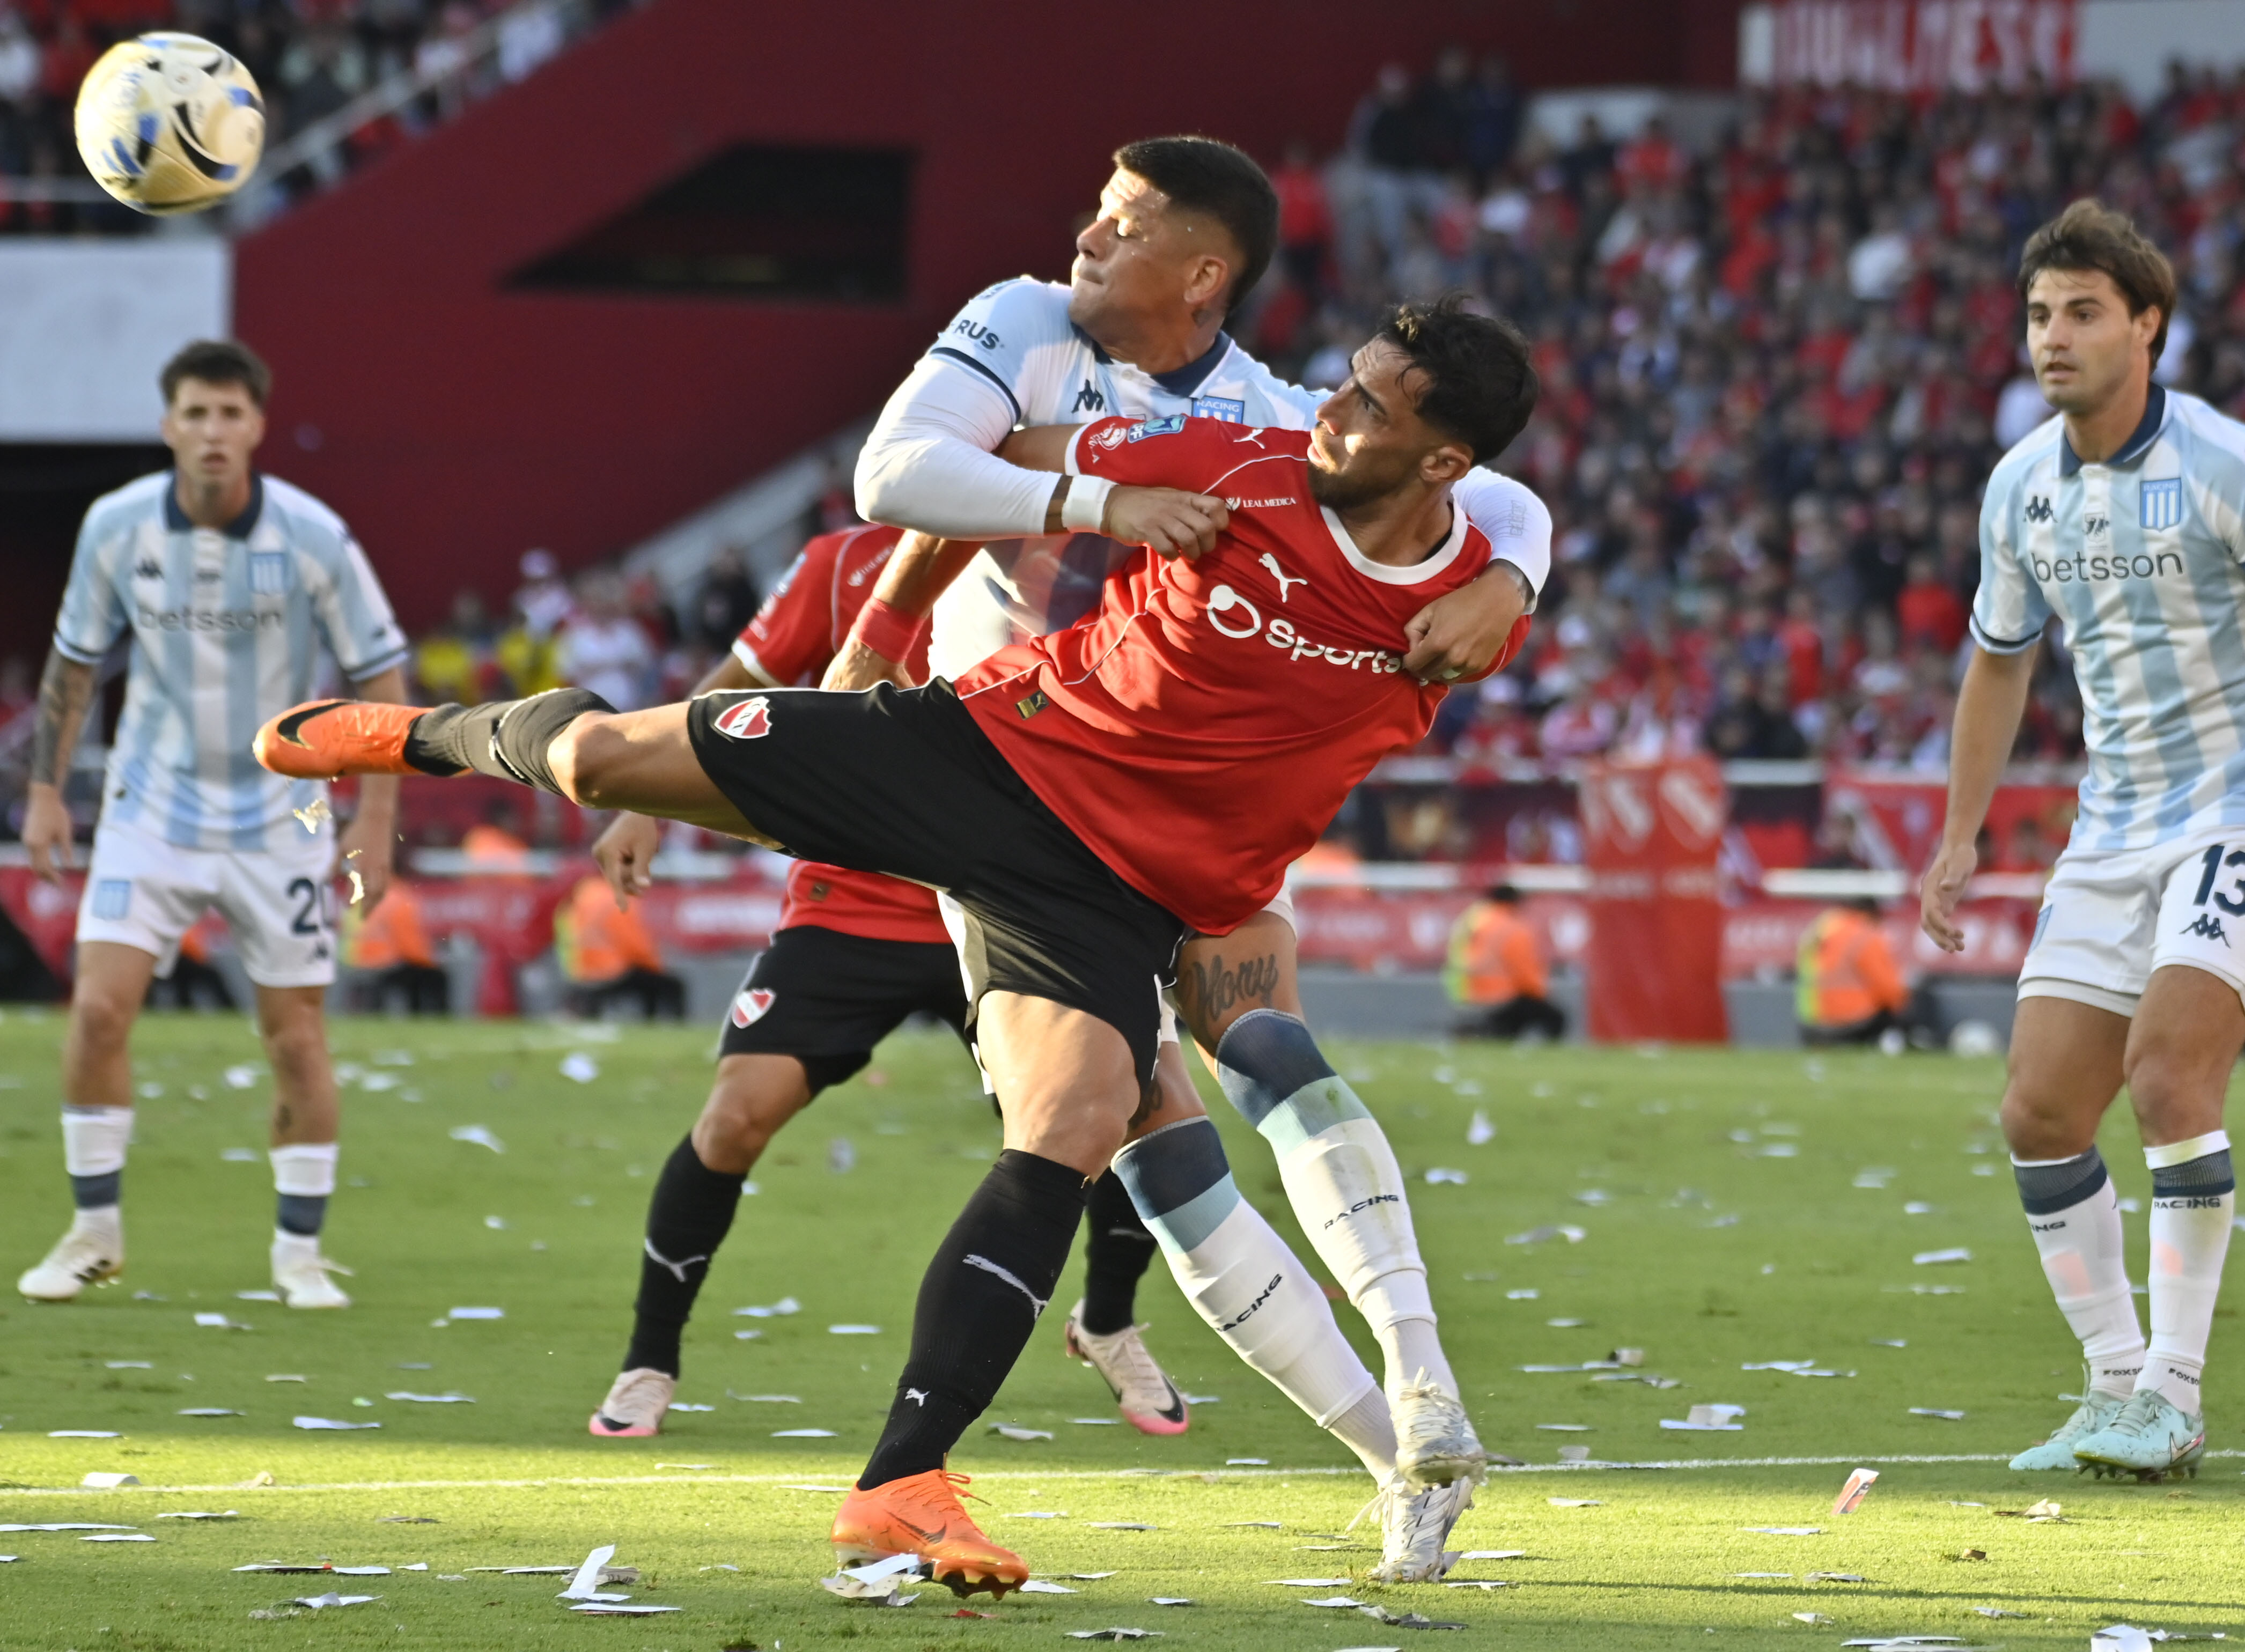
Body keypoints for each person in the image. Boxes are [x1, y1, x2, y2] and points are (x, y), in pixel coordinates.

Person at [254, 296, 1539, 1593]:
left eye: (1370, 406)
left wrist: (1508, 573)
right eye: (1342, 383)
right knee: (601, 762)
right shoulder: (1229, 460)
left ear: (1443, 463)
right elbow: (968, 475)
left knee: (1078, 1122)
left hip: (1105, 895)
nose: (1329, 409)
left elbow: (1509, 526)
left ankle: (902, 1485)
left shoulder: (1472, 608)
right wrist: (1052, 530)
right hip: (973, 757)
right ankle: (405, 735)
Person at [841, 138, 1548, 1538]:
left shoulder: (1274, 413)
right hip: (1027, 774)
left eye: (1119, 225)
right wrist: (892, 624)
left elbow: (1492, 492)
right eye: (1096, 215)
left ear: (1204, 274)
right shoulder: (1028, 319)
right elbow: (907, 471)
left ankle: (1415, 1406)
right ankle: (1407, 1453)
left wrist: (1512, 575)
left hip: (1121, 785)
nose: (1083, 242)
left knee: (1194, 1081)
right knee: (1171, 1096)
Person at [584, 522, 1184, 1441]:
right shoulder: (840, 563)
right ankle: (649, 1359)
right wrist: (641, 799)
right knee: (736, 1116)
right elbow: (742, 679)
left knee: (1126, 1110)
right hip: (853, 898)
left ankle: (1108, 1323)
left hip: (1012, 899)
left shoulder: (1088, 549)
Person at [1922, 201, 2243, 1481]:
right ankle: (2109, 1383)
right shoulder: (2019, 483)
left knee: (2168, 1080)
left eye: (2080, 313)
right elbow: (1996, 666)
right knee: (2038, 1111)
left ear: (2145, 327)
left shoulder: (2218, 463)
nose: (2048, 338)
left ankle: (2170, 1391)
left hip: (2230, 810)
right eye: (2036, 315)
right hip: (2110, 827)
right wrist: (1957, 837)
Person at [15, 338, 408, 1311]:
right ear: (168, 427)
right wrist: (44, 790)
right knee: (100, 1009)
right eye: (195, 414)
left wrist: (376, 815)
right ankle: (92, 1233)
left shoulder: (316, 536)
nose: (213, 432)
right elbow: (70, 664)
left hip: (284, 815)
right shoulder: (113, 526)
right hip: (152, 807)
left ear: (257, 428)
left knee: (295, 1038)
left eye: (231, 415)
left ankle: (298, 1256)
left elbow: (382, 676)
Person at [555, 872, 684, 1020]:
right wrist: (657, 964)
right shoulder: (621, 899)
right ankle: (653, 1025)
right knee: (670, 986)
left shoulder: (587, 892)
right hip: (613, 970)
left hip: (583, 969)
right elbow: (635, 945)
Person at [1445, 884, 1565, 1039]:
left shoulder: (1472, 920)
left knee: (1509, 1024)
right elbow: (1526, 973)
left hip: (1465, 992)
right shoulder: (1513, 927)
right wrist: (1543, 994)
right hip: (1501, 996)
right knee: (1555, 1018)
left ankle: (1485, 1031)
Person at [1794, 897, 1908, 1046]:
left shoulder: (1823, 931)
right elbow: (1891, 993)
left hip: (1812, 1025)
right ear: (1872, 913)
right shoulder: (1865, 936)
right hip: (1853, 1024)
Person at [343, 879, 448, 1014]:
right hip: (387, 962)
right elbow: (410, 947)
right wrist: (432, 960)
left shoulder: (363, 897)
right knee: (433, 976)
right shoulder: (399, 898)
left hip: (357, 960)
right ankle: (425, 1016)